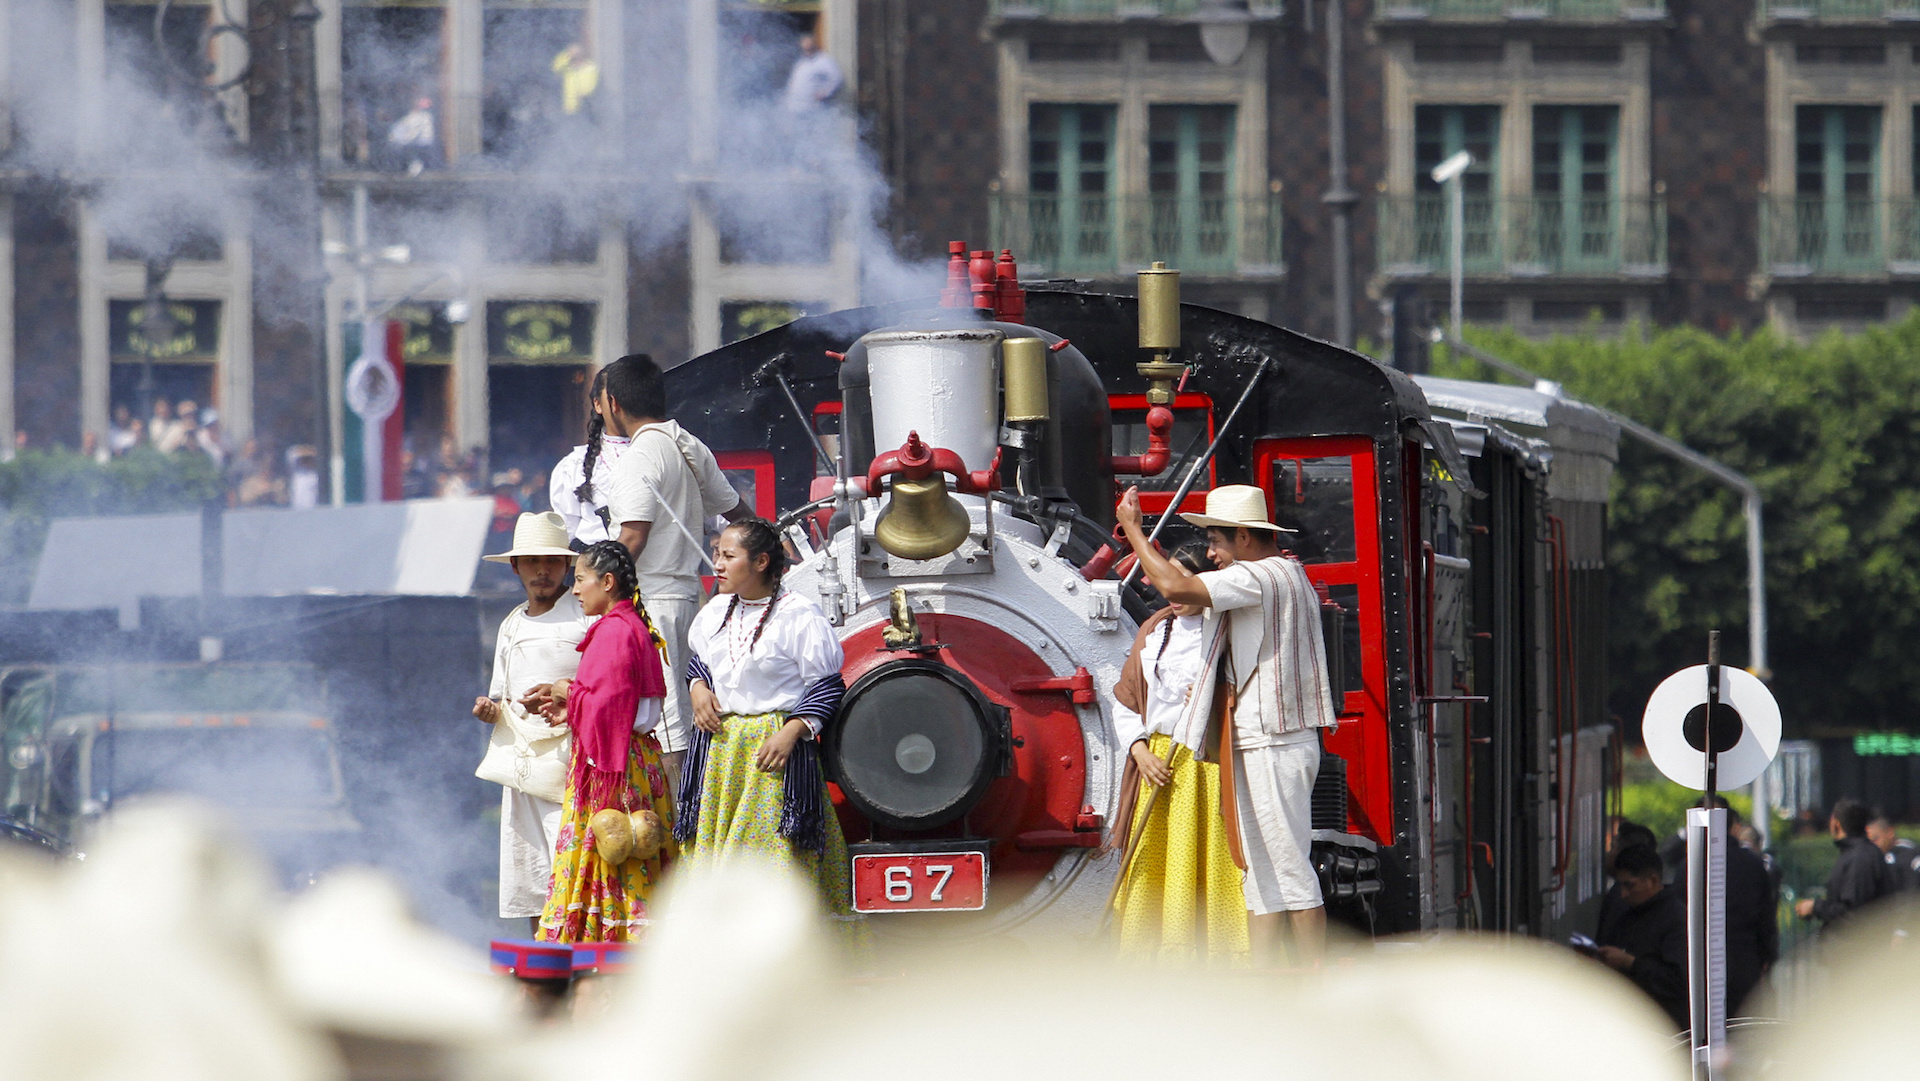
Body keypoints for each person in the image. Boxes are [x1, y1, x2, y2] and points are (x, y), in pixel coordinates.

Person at [1115, 484, 1337, 966]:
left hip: (1274, 742)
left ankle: (1316, 981)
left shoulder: (1259, 575)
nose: (1211, 553)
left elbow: (1174, 587)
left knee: (1288, 870)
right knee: (1260, 871)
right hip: (1260, 742)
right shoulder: (1279, 574)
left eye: (1214, 540)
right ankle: (1259, 980)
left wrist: (1133, 528)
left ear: (1243, 536)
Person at [674, 518, 857, 927]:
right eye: (717, 554)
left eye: (728, 555)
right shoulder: (716, 612)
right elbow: (703, 663)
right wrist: (698, 689)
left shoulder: (798, 616)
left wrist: (791, 733)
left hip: (771, 754)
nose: (717, 564)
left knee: (772, 860)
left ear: (759, 562)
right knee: (718, 863)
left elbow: (827, 685)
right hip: (721, 753)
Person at [602, 354, 750, 790]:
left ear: (612, 403)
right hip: (690, 602)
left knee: (671, 732)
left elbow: (632, 536)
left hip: (655, 609)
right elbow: (737, 511)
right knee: (683, 721)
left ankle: (680, 832)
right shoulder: (686, 442)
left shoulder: (641, 454)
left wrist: (599, 593)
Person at [1106, 542, 1249, 964]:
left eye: (1183, 582)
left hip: (1207, 760)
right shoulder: (1155, 628)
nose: (1174, 593)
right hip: (1159, 760)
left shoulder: (1228, 627)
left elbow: (1250, 686)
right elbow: (1126, 700)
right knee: (1156, 859)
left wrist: (1216, 692)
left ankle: (1221, 955)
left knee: (1212, 855)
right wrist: (1139, 751)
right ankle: (1154, 955)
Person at [532, 541, 678, 943]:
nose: (575, 589)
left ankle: (602, 945)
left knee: (611, 851)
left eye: (580, 579)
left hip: (614, 766)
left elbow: (607, 705)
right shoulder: (632, 625)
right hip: (637, 758)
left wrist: (566, 690)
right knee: (637, 854)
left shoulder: (614, 630)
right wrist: (574, 707)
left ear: (607, 581)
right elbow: (619, 702)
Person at [473, 513, 592, 930]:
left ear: (567, 566)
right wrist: (492, 711)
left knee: (574, 862)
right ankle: (544, 969)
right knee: (530, 872)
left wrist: (563, 691)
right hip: (524, 764)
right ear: (515, 566)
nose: (542, 571)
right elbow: (502, 696)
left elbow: (609, 684)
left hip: (575, 758)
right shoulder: (511, 623)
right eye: (531, 561)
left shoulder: (585, 616)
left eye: (552, 562)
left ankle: (583, 968)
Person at [1593, 844, 1688, 1031]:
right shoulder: (1627, 911)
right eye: (1621, 886)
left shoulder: (1675, 918)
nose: (1624, 894)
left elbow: (1678, 981)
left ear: (1652, 880)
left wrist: (1629, 962)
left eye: (1630, 885)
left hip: (1663, 1025)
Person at [548, 366, 629, 548]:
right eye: (615, 397)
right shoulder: (574, 465)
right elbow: (567, 530)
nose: (622, 405)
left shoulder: (662, 454)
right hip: (593, 566)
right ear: (598, 404)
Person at [1796, 798, 1891, 929]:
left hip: (1855, 945)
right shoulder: (1858, 852)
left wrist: (1815, 907)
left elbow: (1852, 912)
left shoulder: (1859, 857)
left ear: (1836, 824)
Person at [784, 33, 843, 114]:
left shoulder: (824, 60)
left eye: (809, 43)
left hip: (812, 108)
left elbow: (837, 78)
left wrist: (825, 93)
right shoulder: (801, 62)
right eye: (804, 43)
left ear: (814, 44)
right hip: (795, 107)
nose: (807, 46)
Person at [1867, 814, 1920, 893]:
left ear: (1890, 832)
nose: (1873, 845)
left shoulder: (1908, 853)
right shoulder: (1875, 858)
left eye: (1875, 839)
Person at [386, 96, 438, 176]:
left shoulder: (424, 116)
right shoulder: (408, 117)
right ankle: (402, 168)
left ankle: (415, 166)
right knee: (396, 147)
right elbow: (398, 130)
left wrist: (405, 140)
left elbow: (417, 133)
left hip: (421, 142)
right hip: (411, 141)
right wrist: (395, 138)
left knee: (407, 149)